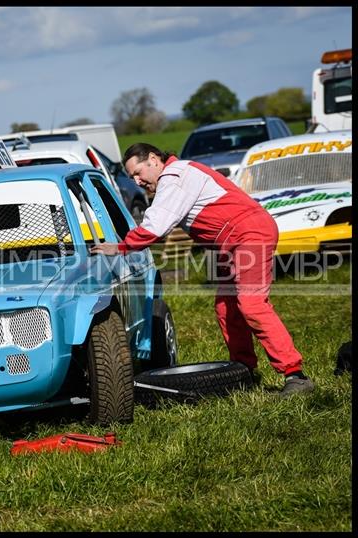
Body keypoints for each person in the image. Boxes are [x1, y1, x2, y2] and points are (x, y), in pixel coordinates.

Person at [89, 143, 313, 396]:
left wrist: (120, 247)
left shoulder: (174, 177)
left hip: (248, 234)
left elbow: (156, 227)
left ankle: (296, 375)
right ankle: (243, 372)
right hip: (232, 240)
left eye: (138, 172)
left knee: (252, 304)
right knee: (226, 307)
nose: (138, 181)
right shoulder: (177, 175)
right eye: (132, 178)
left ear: (154, 159)